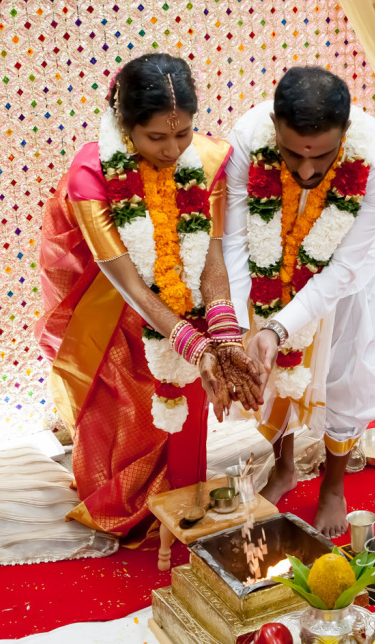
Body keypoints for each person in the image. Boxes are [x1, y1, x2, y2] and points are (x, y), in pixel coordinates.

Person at [36, 53, 261, 548]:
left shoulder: (206, 160)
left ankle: (178, 497)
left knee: (189, 395)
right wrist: (196, 346)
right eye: (156, 138)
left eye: (181, 135)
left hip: (186, 292)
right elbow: (131, 286)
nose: (172, 149)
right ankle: (125, 503)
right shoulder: (90, 177)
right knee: (125, 406)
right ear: (124, 124)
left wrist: (222, 335)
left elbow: (212, 256)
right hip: (112, 300)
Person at [223, 67, 375, 537]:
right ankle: (284, 469)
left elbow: (341, 268)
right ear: (274, 127)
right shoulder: (247, 137)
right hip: (269, 269)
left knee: (344, 375)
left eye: (321, 157)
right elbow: (237, 241)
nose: (305, 172)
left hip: (346, 283)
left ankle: (333, 488)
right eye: (290, 154)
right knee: (273, 372)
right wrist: (248, 323)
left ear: (345, 134)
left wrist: (278, 327)